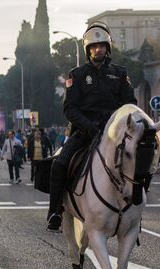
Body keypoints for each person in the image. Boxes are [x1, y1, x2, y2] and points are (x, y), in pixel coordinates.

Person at [46, 22, 137, 231]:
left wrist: (118, 124)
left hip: (114, 134)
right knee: (59, 164)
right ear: (88, 49)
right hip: (85, 133)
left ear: (108, 48)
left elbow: (130, 104)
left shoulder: (120, 74)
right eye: (94, 47)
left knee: (138, 162)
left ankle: (136, 212)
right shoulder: (77, 75)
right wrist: (89, 126)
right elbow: (70, 109)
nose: (98, 49)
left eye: (102, 46)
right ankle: (54, 211)